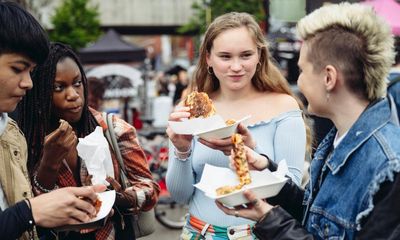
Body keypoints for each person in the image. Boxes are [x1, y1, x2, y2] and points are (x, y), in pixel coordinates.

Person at [217, 3, 400, 239]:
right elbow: (319, 215)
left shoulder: (389, 167)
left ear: (328, 78)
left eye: (301, 70)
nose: (299, 81)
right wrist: (267, 171)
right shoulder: (341, 136)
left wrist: (270, 221)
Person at [166, 12, 308, 239]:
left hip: (259, 234)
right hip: (198, 233)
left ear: (260, 56)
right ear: (208, 59)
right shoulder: (191, 110)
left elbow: (291, 195)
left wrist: (252, 154)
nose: (236, 66)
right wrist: (182, 149)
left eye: (245, 55)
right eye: (225, 56)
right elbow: (181, 196)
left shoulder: (284, 106)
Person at [17, 42, 160, 240]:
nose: (73, 95)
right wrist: (48, 165)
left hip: (111, 233)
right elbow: (29, 212)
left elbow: (149, 189)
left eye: (77, 83)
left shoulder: (113, 129)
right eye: (59, 87)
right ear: (39, 92)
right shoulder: (24, 141)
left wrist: (118, 198)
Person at [0, 2, 107, 240]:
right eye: (18, 69)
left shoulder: (11, 133)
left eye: (78, 83)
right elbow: (27, 212)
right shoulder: (28, 132)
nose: (27, 83)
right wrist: (29, 212)